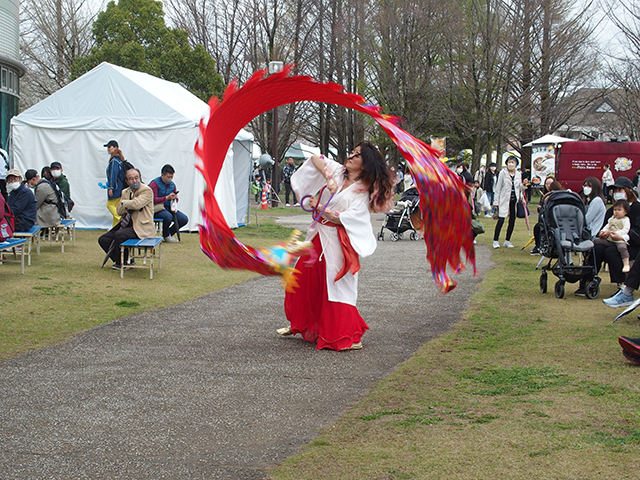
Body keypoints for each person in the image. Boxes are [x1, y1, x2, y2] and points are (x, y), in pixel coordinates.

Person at [277, 141, 394, 351]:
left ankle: (345, 333)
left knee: (336, 287)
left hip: (337, 242)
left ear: (365, 164)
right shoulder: (339, 172)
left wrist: (320, 207)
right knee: (303, 280)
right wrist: (329, 179)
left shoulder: (362, 191)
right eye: (352, 151)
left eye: (356, 155)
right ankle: (308, 325)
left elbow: (348, 218)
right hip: (317, 237)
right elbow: (316, 159)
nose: (350, 156)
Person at [98, 168, 154, 269]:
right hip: (126, 223)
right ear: (126, 181)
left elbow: (137, 205)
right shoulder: (125, 192)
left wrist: (125, 203)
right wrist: (128, 204)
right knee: (103, 239)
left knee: (119, 235)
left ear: (140, 177)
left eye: (136, 178)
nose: (134, 181)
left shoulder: (146, 190)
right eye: (131, 179)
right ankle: (125, 260)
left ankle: (122, 263)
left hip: (142, 227)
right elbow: (119, 211)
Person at [593, 176, 640, 286]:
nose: (616, 193)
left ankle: (622, 283)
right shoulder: (611, 211)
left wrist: (623, 237)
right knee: (597, 248)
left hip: (631, 245)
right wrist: (603, 234)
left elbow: (637, 233)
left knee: (612, 252)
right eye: (615, 191)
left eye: (620, 190)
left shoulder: (637, 208)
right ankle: (590, 279)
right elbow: (604, 226)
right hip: (610, 241)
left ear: (628, 191)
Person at [148, 164, 188, 243]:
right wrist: (166, 198)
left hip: (169, 208)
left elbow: (175, 199)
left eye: (171, 177)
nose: (170, 179)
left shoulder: (172, 185)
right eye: (168, 177)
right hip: (157, 209)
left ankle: (168, 233)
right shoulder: (154, 184)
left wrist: (175, 198)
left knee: (184, 219)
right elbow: (151, 200)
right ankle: (166, 236)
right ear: (162, 175)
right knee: (168, 217)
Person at [493, 155, 524, 249]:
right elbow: (498, 188)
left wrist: (524, 187)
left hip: (514, 201)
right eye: (509, 162)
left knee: (512, 220)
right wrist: (496, 202)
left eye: (513, 162)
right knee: (501, 219)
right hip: (504, 199)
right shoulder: (503, 173)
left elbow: (519, 188)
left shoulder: (518, 174)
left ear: (516, 164)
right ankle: (495, 240)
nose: (511, 164)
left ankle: (507, 240)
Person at [594, 200, 632, 272]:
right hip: (610, 239)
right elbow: (607, 226)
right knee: (596, 241)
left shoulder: (625, 220)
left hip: (619, 239)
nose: (616, 212)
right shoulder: (611, 219)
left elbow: (626, 229)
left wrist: (617, 234)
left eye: (619, 210)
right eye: (615, 210)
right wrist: (603, 232)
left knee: (622, 247)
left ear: (626, 211)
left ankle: (626, 262)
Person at [530, 176, 564, 255]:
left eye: (550, 184)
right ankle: (538, 246)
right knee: (538, 226)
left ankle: (542, 246)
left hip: (555, 221)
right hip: (546, 219)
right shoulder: (544, 195)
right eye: (546, 184)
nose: (548, 186)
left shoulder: (558, 195)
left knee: (542, 227)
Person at [105, 140, 126, 227]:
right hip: (120, 187)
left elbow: (113, 175)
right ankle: (115, 228)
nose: (108, 149)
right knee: (117, 207)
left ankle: (122, 221)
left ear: (115, 147)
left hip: (116, 188)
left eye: (110, 147)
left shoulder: (114, 161)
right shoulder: (119, 159)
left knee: (110, 205)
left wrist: (110, 187)